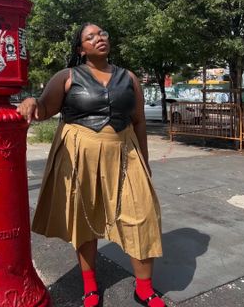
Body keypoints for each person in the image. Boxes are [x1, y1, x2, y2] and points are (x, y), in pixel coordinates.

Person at [17, 23, 166, 307]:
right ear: (80, 49)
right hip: (79, 155)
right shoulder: (67, 76)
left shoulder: (129, 77)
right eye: (90, 37)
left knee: (142, 214)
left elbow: (139, 121)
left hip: (125, 152)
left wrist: (145, 161)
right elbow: (44, 107)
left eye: (103, 34)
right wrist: (29, 100)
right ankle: (90, 286)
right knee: (85, 219)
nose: (99, 38)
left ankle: (144, 288)